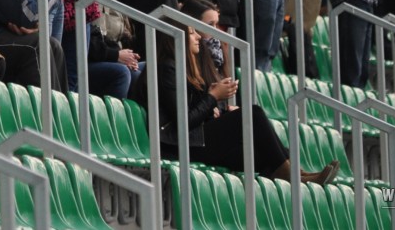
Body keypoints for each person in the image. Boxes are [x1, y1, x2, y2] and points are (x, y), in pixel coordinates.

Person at [133, 16, 337, 184]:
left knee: (258, 155)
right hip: (179, 144)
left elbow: (192, 110)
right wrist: (213, 97)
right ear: (174, 37)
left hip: (194, 140)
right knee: (253, 114)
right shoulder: (166, 68)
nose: (198, 37)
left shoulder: (182, 68)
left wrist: (216, 108)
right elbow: (183, 122)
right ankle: (295, 176)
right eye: (192, 32)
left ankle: (299, 174)